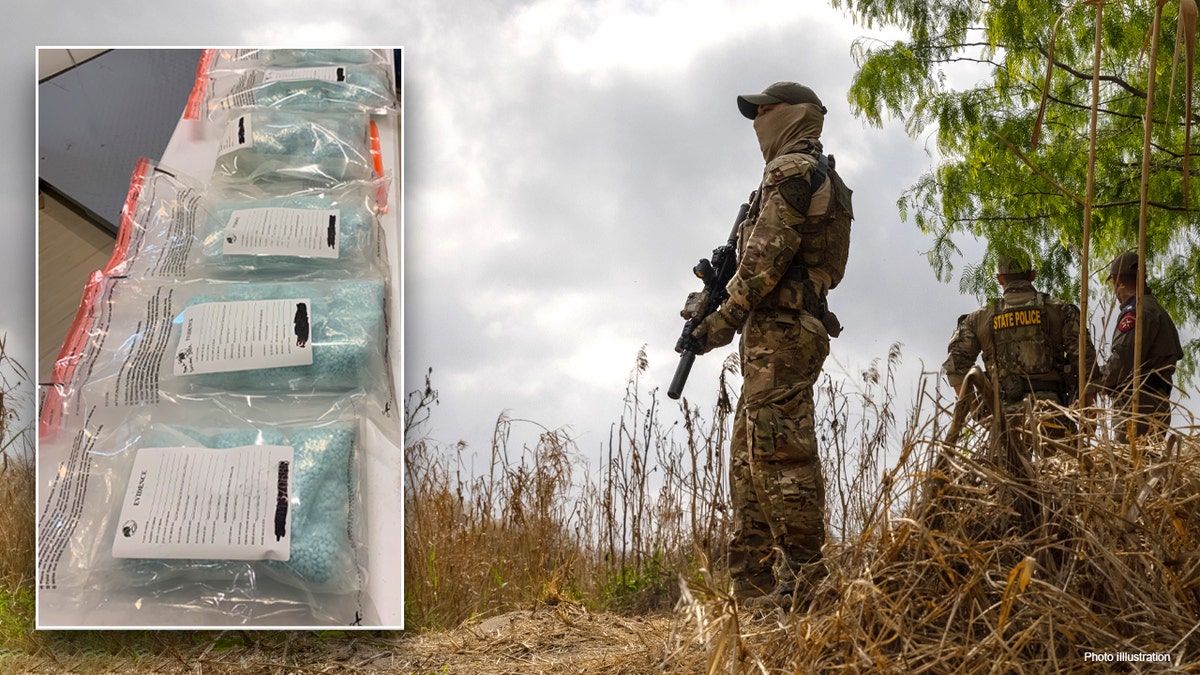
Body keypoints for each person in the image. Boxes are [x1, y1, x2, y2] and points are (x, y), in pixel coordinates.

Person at [691, 81, 853, 610]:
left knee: (781, 457)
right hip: (776, 335)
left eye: (765, 110)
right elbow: (758, 264)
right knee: (748, 458)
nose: (758, 119)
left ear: (794, 115)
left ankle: (809, 586)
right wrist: (713, 301)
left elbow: (766, 260)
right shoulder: (808, 172)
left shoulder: (792, 172)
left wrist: (720, 321)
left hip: (783, 333)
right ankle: (755, 589)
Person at [942, 252, 1098, 437]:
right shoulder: (1062, 310)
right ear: (1032, 275)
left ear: (1000, 279)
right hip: (1053, 415)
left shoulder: (977, 319)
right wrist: (1088, 417)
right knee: (1055, 465)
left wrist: (978, 413)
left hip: (1004, 420)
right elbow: (1085, 363)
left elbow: (955, 366)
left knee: (1005, 467)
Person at [1100, 250, 1183, 442]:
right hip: (1156, 403)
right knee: (1147, 468)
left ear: (1117, 280)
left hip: (1137, 405)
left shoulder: (1137, 311)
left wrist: (1098, 380)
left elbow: (1121, 363)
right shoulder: (1155, 308)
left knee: (1129, 468)